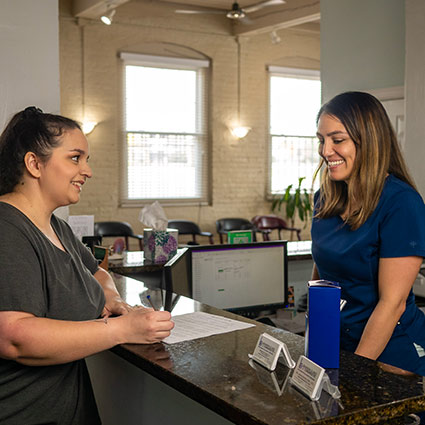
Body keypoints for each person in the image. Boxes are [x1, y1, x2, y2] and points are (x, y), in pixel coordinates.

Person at [0, 107, 174, 424]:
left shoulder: (56, 227)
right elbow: (14, 337)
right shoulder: (7, 228)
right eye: (75, 158)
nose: (88, 171)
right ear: (34, 164)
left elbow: (98, 271)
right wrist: (122, 328)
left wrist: (113, 300)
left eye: (87, 160)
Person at [311, 91, 425, 376]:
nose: (326, 151)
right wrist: (315, 342)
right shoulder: (324, 198)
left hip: (390, 348)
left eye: (337, 140)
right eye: (321, 140)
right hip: (336, 341)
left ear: (369, 141)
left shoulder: (401, 203)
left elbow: (393, 304)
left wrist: (354, 373)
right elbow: (322, 275)